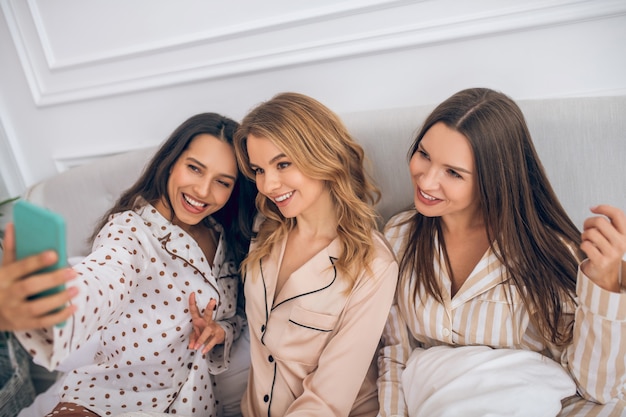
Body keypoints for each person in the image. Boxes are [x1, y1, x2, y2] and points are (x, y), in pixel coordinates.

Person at [377, 88, 626, 416]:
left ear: (492, 179)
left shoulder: (547, 252)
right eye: (423, 154)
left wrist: (605, 286)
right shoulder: (399, 236)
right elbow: (395, 354)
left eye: (453, 172)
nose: (426, 180)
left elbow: (598, 388)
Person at [0, 112, 257, 416]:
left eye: (222, 182)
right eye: (194, 168)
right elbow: (104, 277)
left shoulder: (222, 238)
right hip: (109, 396)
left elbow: (232, 317)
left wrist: (218, 332)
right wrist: (51, 301)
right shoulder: (130, 231)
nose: (203, 191)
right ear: (171, 161)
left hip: (194, 405)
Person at [191, 92, 399, 416]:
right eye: (259, 170)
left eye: (283, 164)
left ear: (323, 155)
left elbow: (328, 400)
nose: (269, 185)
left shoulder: (373, 266)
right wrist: (222, 330)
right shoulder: (263, 229)